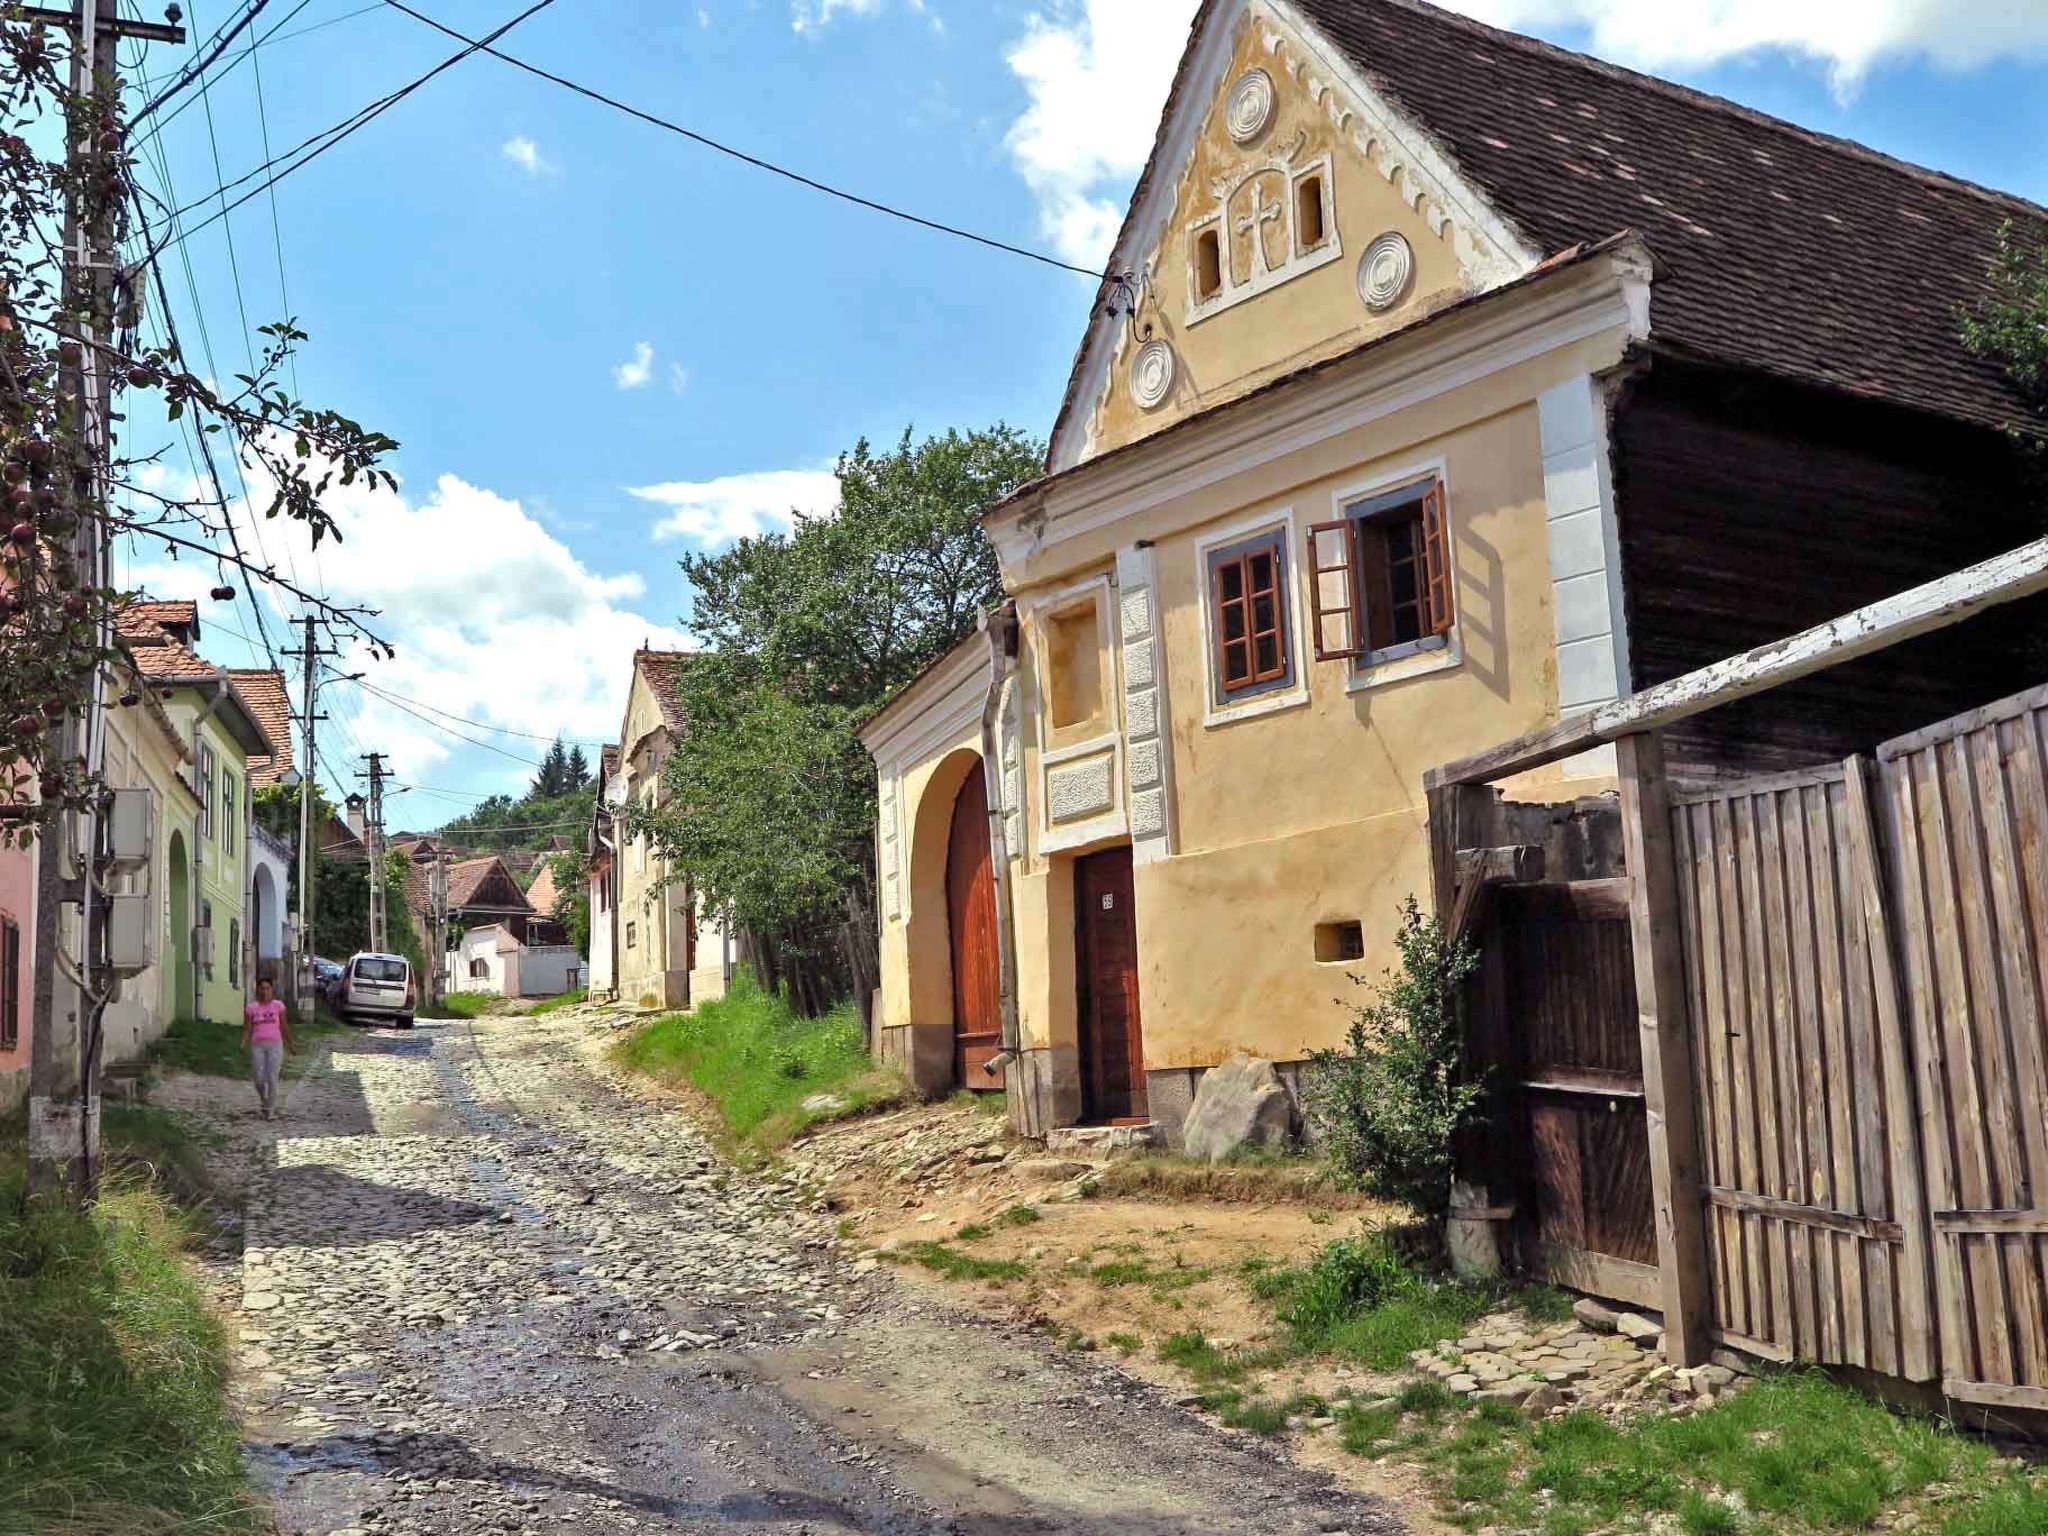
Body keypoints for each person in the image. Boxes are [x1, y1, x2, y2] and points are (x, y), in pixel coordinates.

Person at [242, 976, 296, 1120]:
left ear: (272, 990)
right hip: (257, 1045)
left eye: (267, 988)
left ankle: (271, 1109)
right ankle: (264, 1100)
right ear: (257, 990)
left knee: (272, 1077)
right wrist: (243, 1043)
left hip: (275, 1044)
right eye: (262, 988)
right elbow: (247, 1028)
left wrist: (291, 1044)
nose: (264, 991)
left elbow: (284, 1026)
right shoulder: (251, 1008)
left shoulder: (278, 1006)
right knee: (258, 1078)